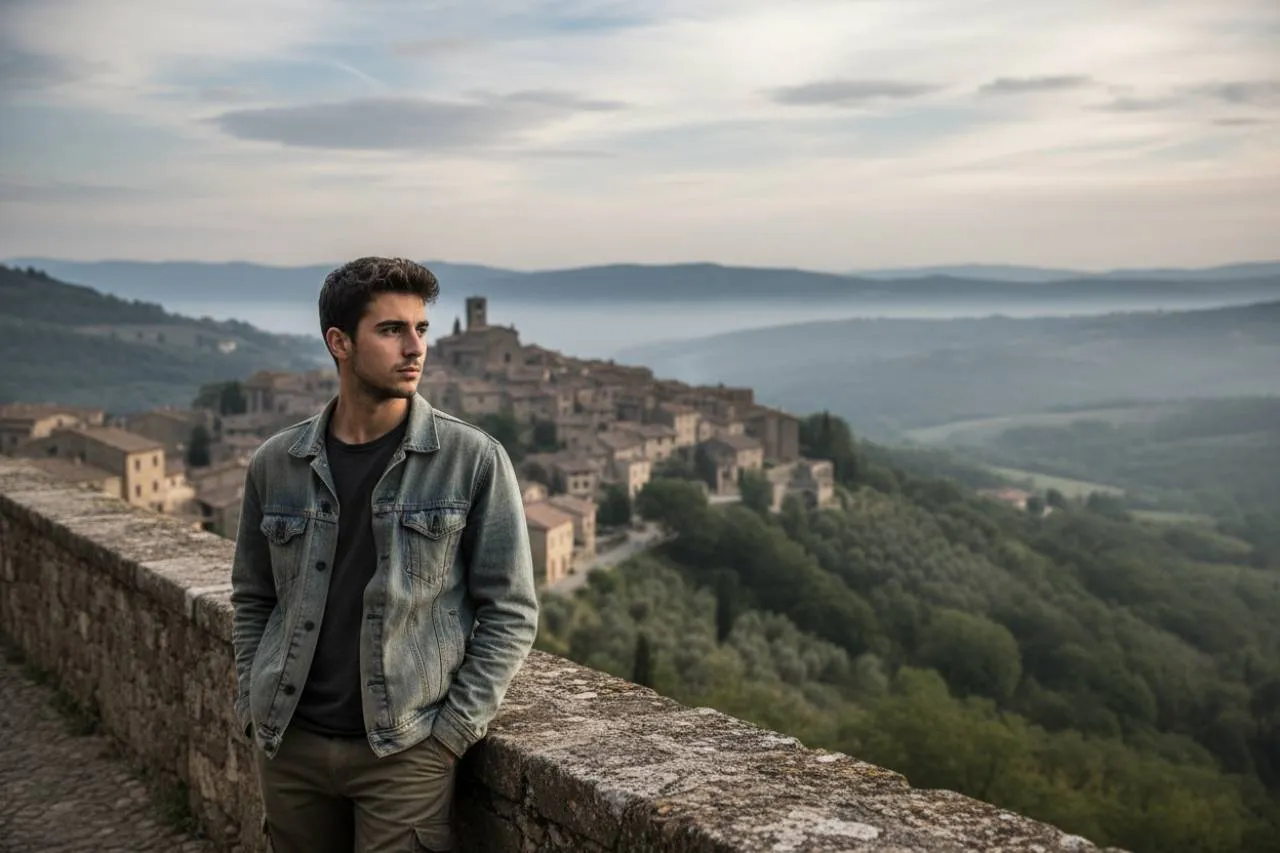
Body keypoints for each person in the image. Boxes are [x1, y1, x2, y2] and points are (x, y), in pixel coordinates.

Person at [229, 257, 538, 852]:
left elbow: (511, 610)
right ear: (339, 343)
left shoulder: (471, 459)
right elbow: (253, 596)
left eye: (420, 329)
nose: (415, 347)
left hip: (403, 754)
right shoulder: (276, 464)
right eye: (392, 330)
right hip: (288, 745)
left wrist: (451, 736)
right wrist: (251, 700)